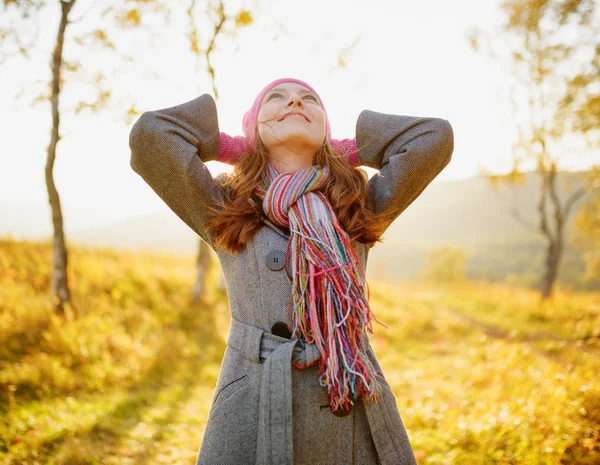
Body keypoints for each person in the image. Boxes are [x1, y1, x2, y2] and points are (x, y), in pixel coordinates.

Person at [128, 77, 454, 465]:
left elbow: (434, 136)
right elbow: (151, 136)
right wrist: (235, 146)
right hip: (253, 395)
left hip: (346, 387)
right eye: (276, 98)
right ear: (254, 125)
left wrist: (345, 151)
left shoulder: (357, 201)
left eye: (309, 99)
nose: (295, 101)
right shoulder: (223, 202)